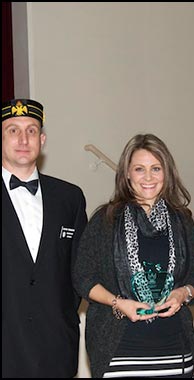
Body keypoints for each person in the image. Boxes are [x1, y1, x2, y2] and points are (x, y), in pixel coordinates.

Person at [72, 133, 194, 378]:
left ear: (167, 173)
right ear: (126, 174)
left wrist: (182, 293)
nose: (148, 177)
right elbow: (82, 277)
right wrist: (118, 303)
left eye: (156, 168)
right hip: (119, 352)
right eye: (139, 169)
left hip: (174, 350)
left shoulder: (182, 221)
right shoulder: (105, 220)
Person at [2, 98, 88, 378]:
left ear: (42, 139)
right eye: (13, 130)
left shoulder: (70, 197)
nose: (23, 138)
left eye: (31, 130)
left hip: (55, 349)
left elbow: (80, 271)